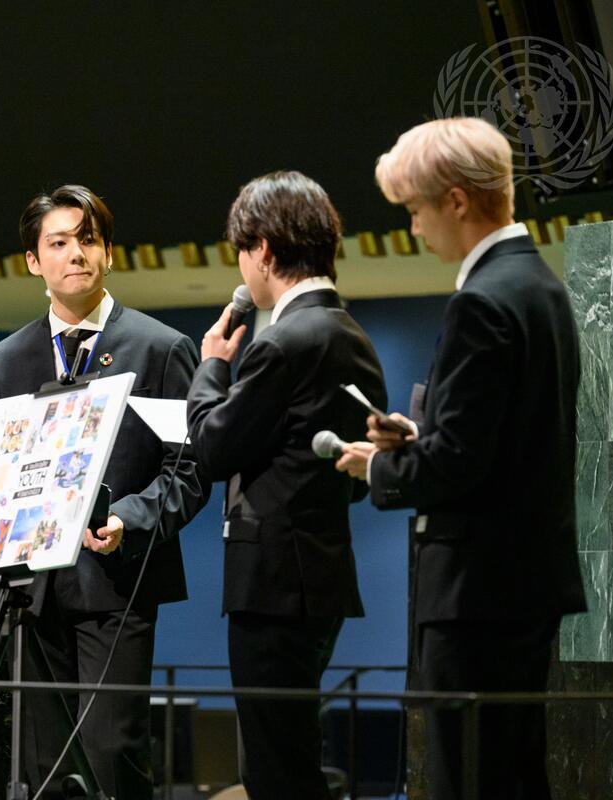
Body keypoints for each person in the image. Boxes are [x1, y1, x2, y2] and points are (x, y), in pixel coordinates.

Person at [334, 117, 587, 800]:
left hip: (475, 593)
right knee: (511, 774)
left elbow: (460, 467)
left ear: (455, 200)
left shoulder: (483, 300)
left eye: (414, 208)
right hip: (521, 584)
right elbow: (503, 445)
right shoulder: (542, 288)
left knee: (467, 780)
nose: (414, 228)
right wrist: (425, 440)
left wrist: (379, 467)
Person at [0, 185, 207, 798]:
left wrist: (130, 518)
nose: (76, 252)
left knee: (111, 754)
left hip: (116, 583)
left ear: (107, 252)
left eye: (89, 239)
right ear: (33, 261)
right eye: (59, 242)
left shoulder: (161, 349)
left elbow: (189, 470)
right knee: (41, 769)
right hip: (30, 595)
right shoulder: (3, 361)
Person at [186, 171, 387, 800]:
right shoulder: (353, 338)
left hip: (272, 586)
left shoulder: (283, 341)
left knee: (275, 771)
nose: (243, 268)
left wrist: (212, 366)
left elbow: (213, 444)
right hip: (319, 579)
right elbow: (352, 481)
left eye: (242, 252)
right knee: (291, 757)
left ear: (265, 249)